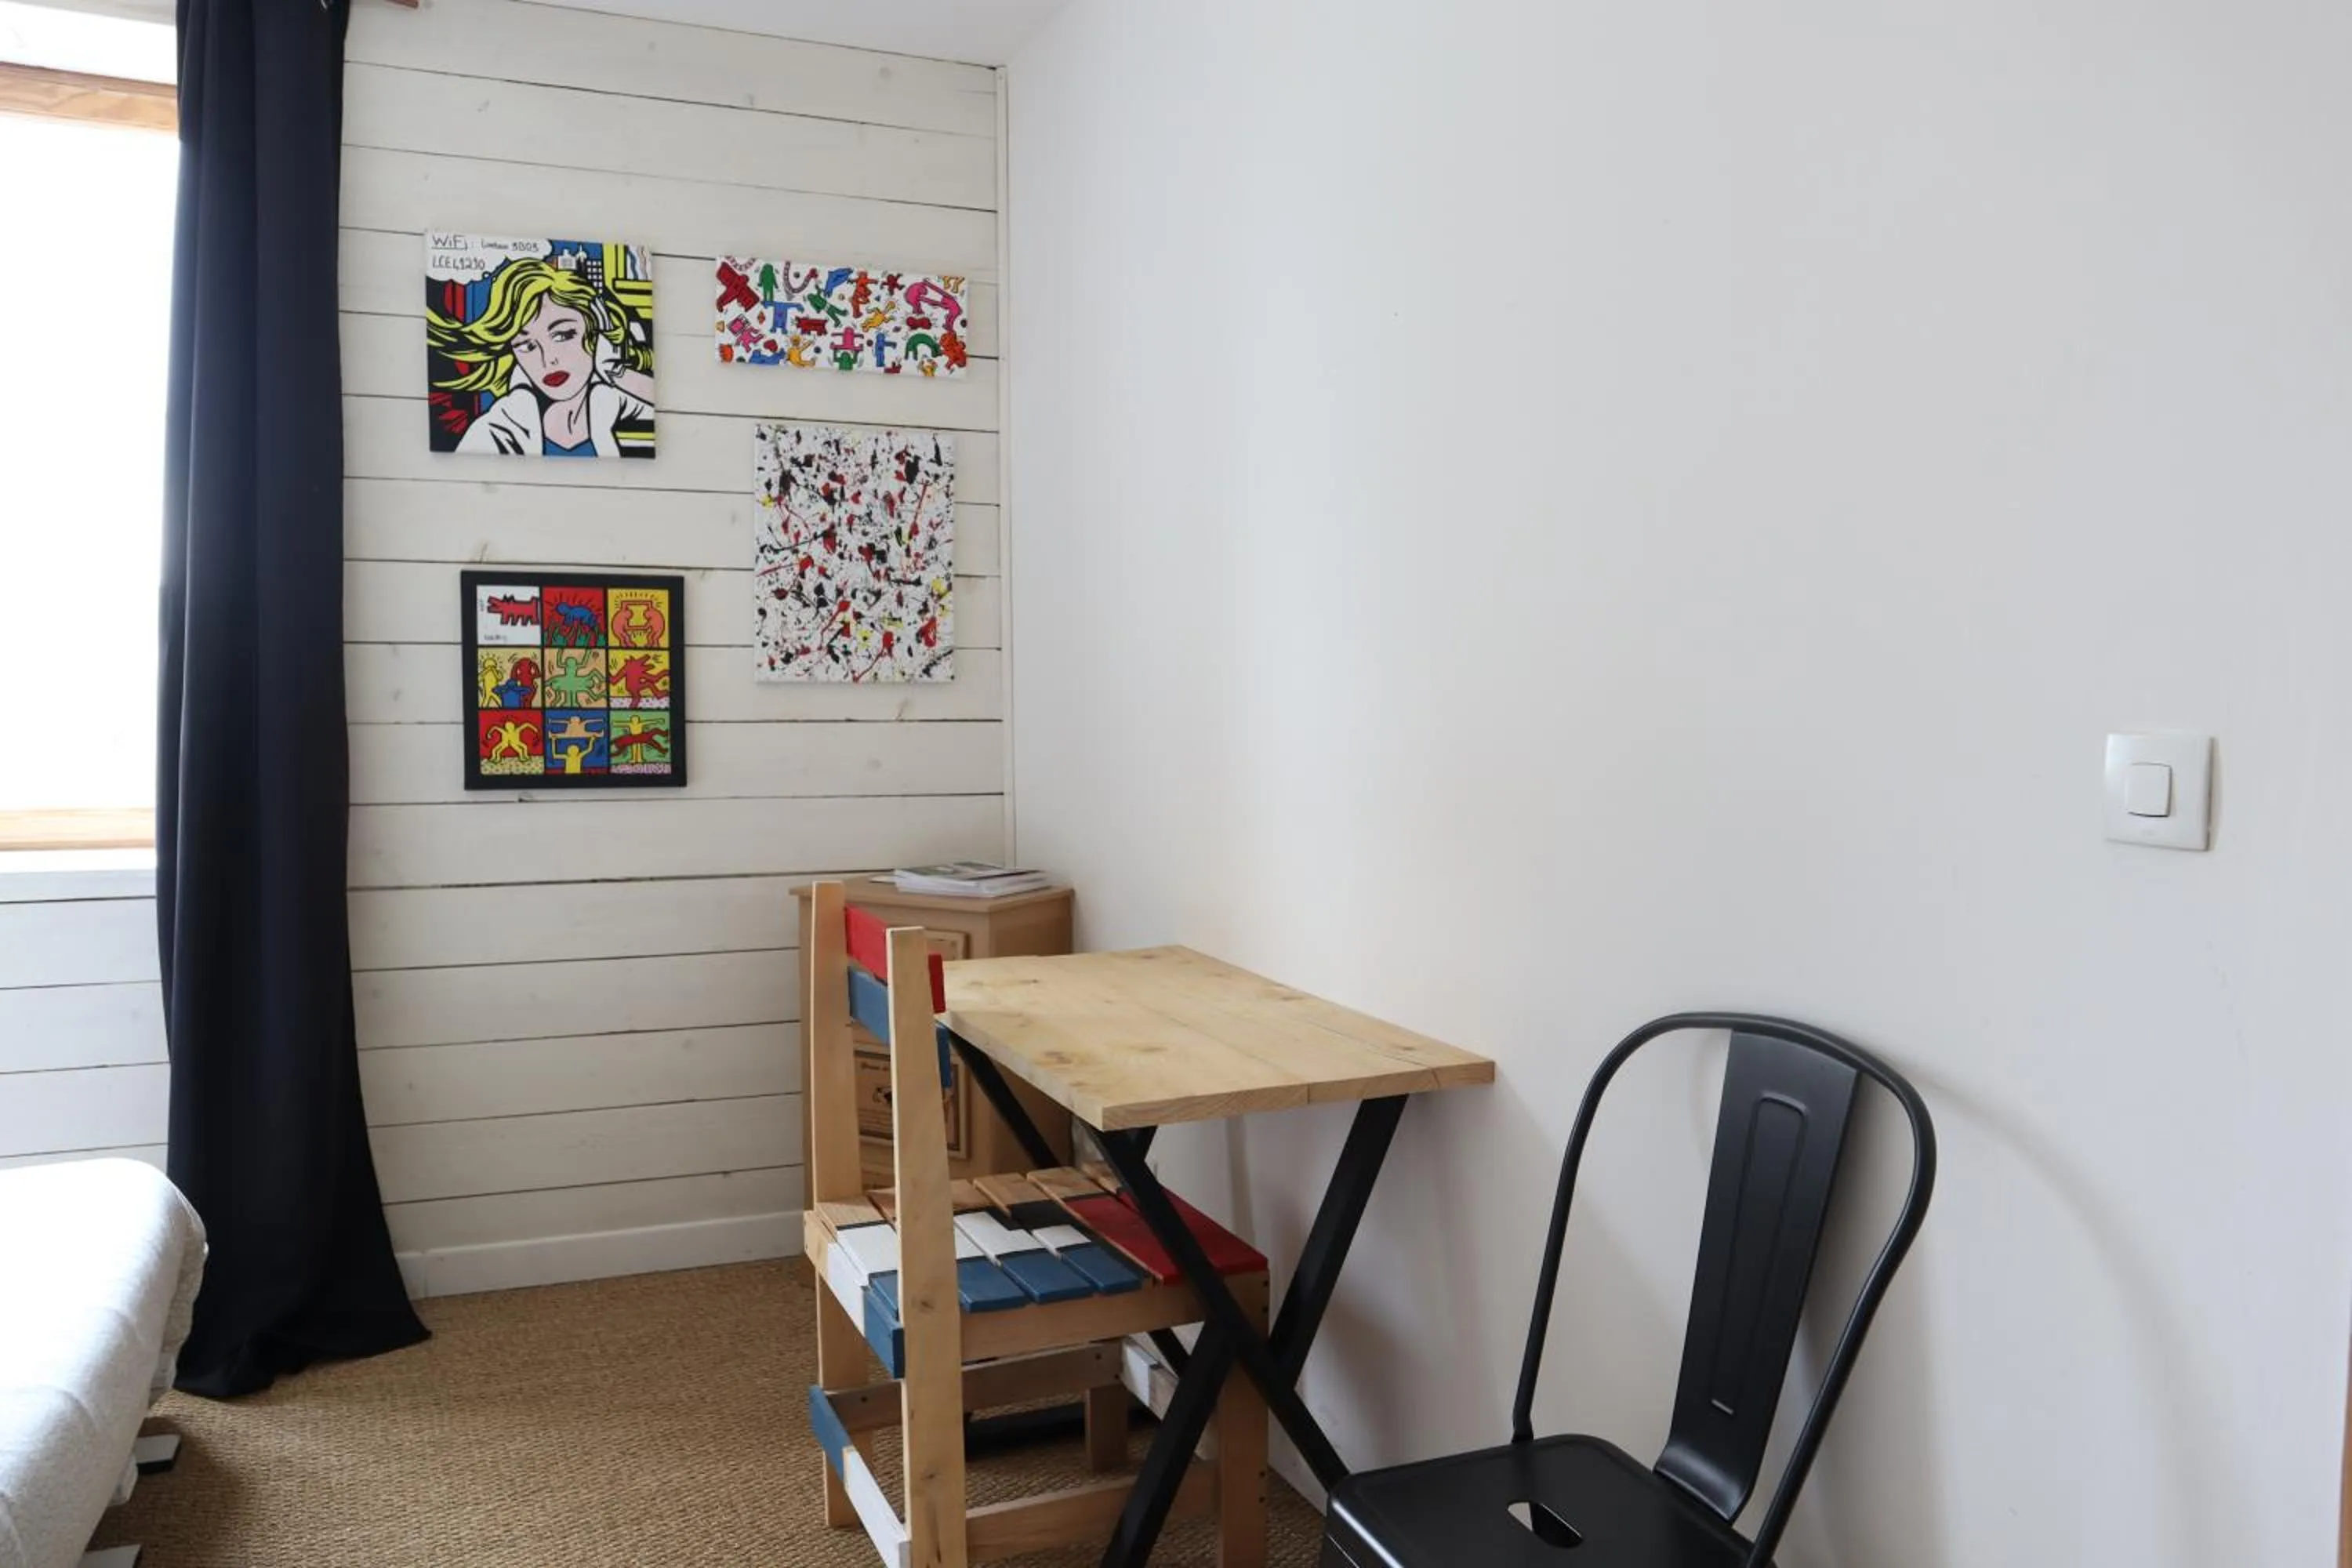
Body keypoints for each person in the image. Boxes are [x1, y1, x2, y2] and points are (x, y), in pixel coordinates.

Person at [429, 255, 655, 458]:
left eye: (563, 335)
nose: (549, 360)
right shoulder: (497, 429)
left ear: (595, 332)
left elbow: (658, 405)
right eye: (526, 345)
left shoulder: (608, 399)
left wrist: (614, 369)